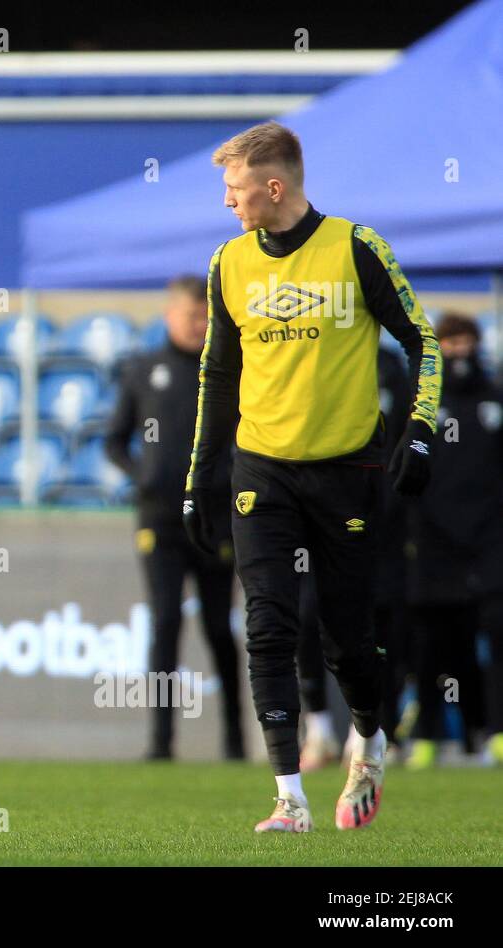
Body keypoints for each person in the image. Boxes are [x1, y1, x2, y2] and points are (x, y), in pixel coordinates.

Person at [184, 121, 441, 833]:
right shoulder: (227, 263)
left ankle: (369, 735)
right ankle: (289, 797)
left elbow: (424, 341)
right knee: (266, 625)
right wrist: (200, 473)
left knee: (348, 640)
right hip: (261, 469)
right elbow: (216, 373)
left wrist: (419, 430)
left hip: (347, 471)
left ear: (274, 187)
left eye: (235, 190)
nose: (227, 203)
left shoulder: (356, 248)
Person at [105, 274, 244, 762]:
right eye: (192, 316)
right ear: (171, 316)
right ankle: (161, 744)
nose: (199, 326)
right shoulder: (145, 369)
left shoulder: (229, 370)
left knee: (218, 628)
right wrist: (140, 474)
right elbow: (113, 440)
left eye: (207, 318)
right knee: (165, 621)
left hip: (214, 518)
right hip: (159, 518)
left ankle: (235, 741)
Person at [297, 345, 412, 770]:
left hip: (379, 517)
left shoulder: (390, 368)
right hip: (318, 506)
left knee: (377, 623)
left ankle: (372, 733)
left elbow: (406, 439)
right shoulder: (311, 354)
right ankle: (319, 728)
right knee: (308, 616)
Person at [404, 313, 503, 768]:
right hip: (433, 541)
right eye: (450, 342)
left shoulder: (494, 398)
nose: (459, 351)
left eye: (466, 341)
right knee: (433, 645)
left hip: (490, 539)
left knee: (496, 634)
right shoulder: (422, 403)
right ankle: (427, 736)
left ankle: (495, 732)